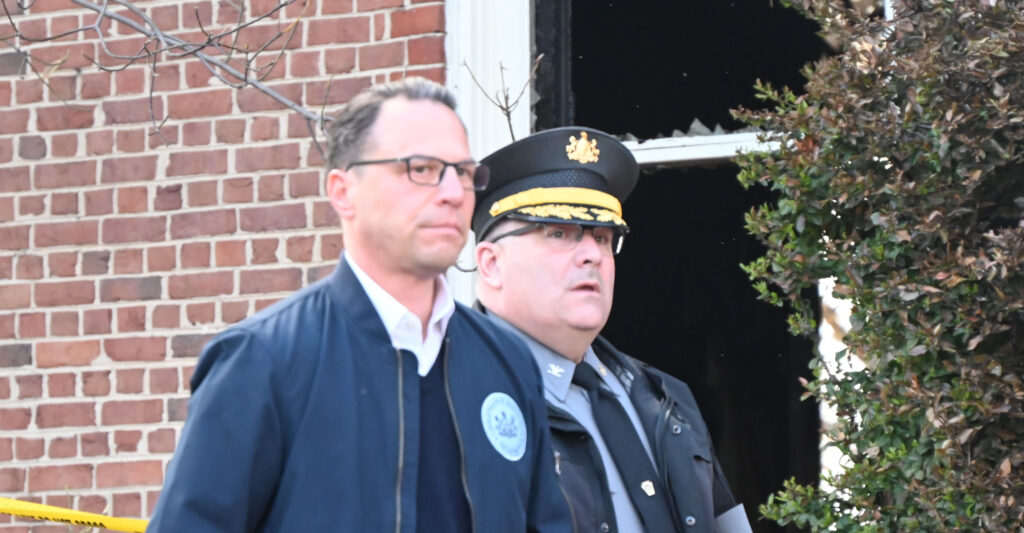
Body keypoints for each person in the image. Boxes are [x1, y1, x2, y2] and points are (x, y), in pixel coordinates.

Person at [148, 78, 571, 533]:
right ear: (343, 191)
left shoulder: (506, 363)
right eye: (422, 168)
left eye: (464, 173)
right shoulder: (263, 361)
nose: (453, 192)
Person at [473, 127, 753, 533]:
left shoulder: (669, 399)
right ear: (491, 264)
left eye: (603, 238)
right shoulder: (443, 399)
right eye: (558, 233)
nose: (591, 255)